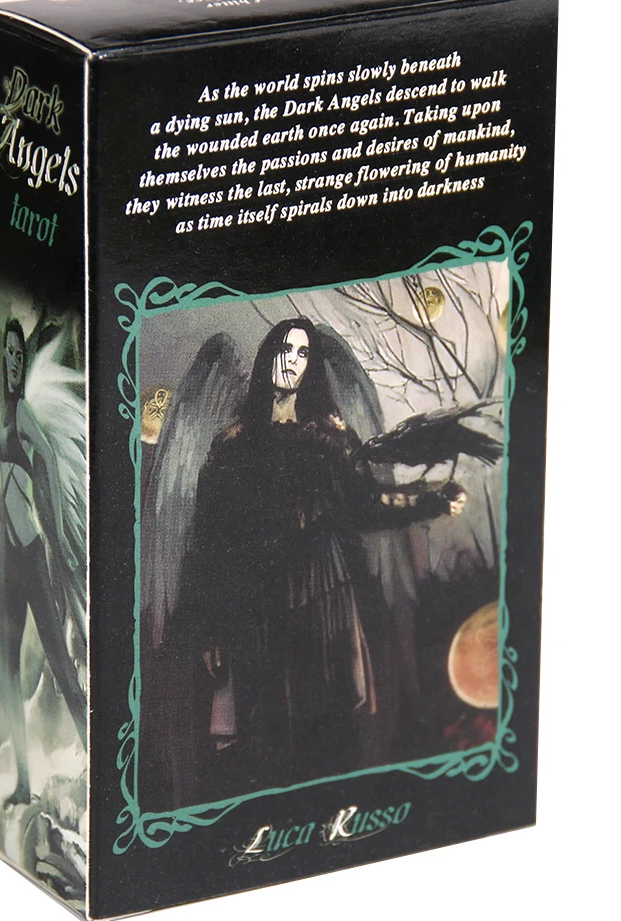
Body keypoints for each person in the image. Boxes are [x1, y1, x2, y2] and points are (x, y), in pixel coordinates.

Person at [183, 318, 466, 798]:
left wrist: (429, 499)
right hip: (258, 601)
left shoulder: (332, 436)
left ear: (311, 366)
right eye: (283, 349)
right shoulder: (232, 443)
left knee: (327, 722)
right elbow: (210, 539)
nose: (290, 362)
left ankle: (328, 813)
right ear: (267, 355)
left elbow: (366, 505)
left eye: (302, 353)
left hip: (324, 591)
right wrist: (211, 627)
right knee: (266, 730)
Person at [0, 318, 87, 806]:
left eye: (20, 354)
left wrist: (52, 525)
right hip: (6, 556)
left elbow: (49, 458)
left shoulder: (21, 410)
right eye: (8, 354)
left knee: (58, 657)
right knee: (8, 670)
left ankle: (92, 750)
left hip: (30, 549)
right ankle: (24, 784)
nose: (14, 362)